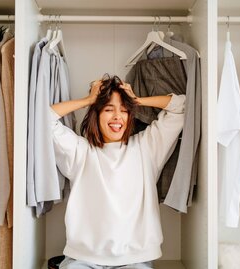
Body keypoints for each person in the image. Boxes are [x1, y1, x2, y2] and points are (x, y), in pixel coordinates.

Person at [50, 74, 185, 269]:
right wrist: (88, 101)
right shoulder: (80, 151)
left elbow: (181, 107)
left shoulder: (146, 147)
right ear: (96, 113)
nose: (117, 117)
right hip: (84, 259)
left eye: (124, 110)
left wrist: (137, 100)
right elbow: (44, 119)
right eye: (108, 109)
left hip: (134, 259)